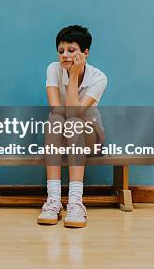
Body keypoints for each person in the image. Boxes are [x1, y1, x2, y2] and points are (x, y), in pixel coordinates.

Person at [37, 25, 107, 228]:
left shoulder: (99, 78)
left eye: (71, 50)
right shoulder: (53, 69)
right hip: (60, 136)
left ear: (85, 53)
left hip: (90, 137)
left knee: (74, 121)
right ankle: (54, 201)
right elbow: (56, 109)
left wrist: (74, 76)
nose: (65, 55)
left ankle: (76, 201)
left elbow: (74, 113)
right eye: (61, 51)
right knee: (55, 119)